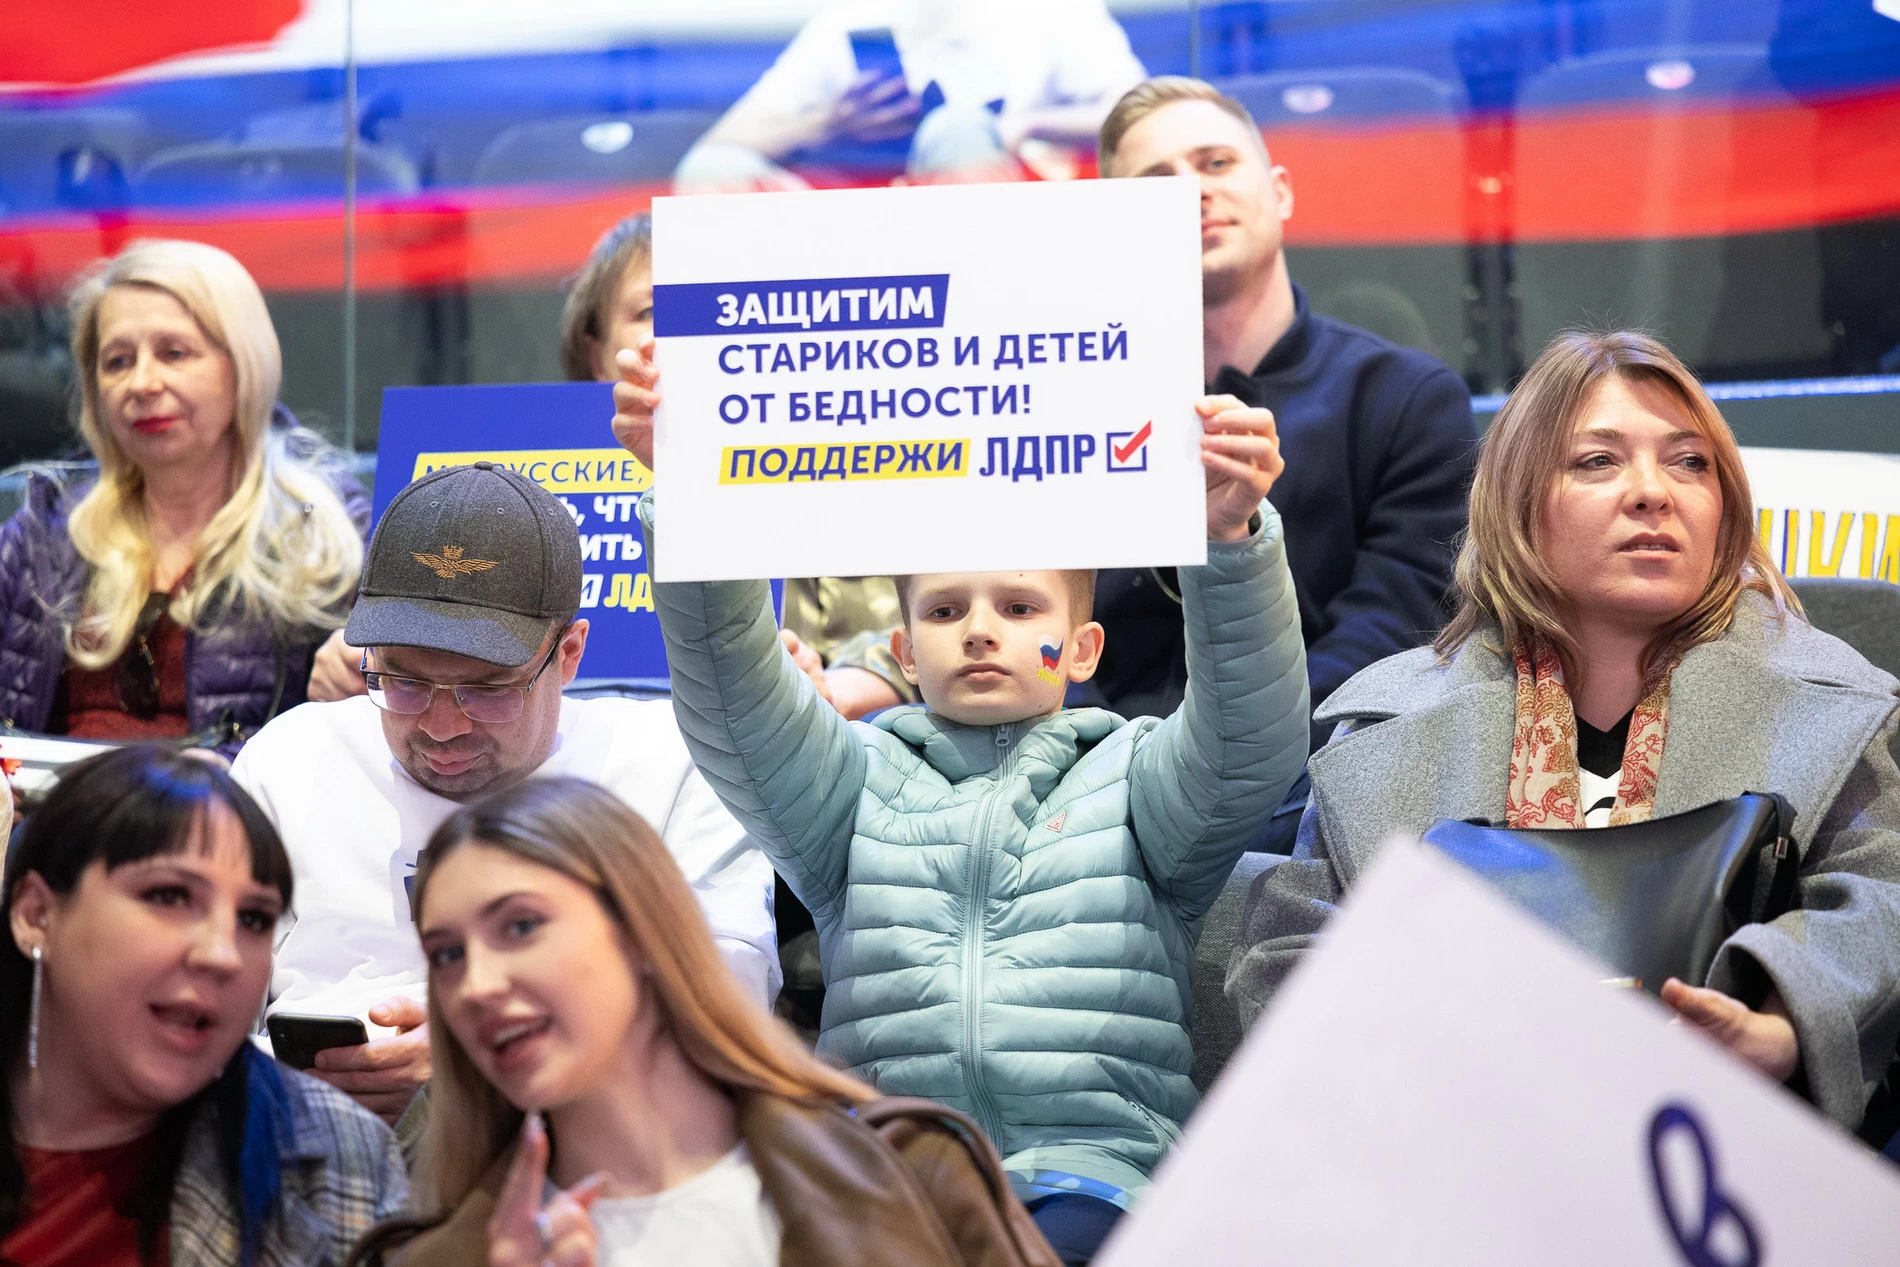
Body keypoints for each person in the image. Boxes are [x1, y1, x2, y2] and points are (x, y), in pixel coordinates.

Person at [612, 341, 1309, 1263]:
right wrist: (693, 498)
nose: (980, 629)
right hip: (885, 1179)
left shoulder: (1138, 777)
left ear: (1085, 646)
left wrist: (1230, 542)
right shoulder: (851, 784)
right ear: (903, 652)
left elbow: (1252, 742)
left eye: (1020, 608)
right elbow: (733, 702)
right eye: (944, 611)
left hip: (1095, 1178)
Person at [1226, 330, 1900, 1131]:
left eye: (1690, 462)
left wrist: (1784, 1018)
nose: (1653, 492)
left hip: (1736, 1152)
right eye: (1598, 461)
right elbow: (1286, 950)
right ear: (1517, 502)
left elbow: (1881, 901)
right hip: (1446, 1151)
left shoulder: (1839, 704)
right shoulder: (1383, 724)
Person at [230, 462, 777, 1127]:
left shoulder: (670, 767)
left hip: (575, 1131)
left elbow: (728, 1005)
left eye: (488, 690)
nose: (442, 725)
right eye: (404, 683)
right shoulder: (291, 759)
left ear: (569, 654)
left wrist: (485, 1061)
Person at [345, 776, 1059, 1267]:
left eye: (521, 925)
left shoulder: (917, 1168)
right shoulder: (433, 1256)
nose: (476, 985)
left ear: (640, 930)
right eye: (447, 954)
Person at [1091, 77, 1478, 840]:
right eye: (1158, 182)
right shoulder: (1071, 404)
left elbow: (1391, 643)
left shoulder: (1405, 400)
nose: (1194, 192)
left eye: (1215, 162)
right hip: (1092, 802)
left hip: (1312, 801)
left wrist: (1213, 776)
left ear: (1281, 191)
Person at [0, 744, 408, 1265]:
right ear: (36, 914)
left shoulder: (341, 1162)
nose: (222, 955)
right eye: (170, 896)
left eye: (254, 919)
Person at [0, 239, 367, 751]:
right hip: (49, 802)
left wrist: (359, 684)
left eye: (174, 353)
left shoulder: (326, 536)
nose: (142, 383)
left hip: (235, 800)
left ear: (244, 366)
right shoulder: (44, 532)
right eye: (118, 361)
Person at [555, 210, 916, 722]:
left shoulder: (844, 460)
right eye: (652, 309)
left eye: (716, 305)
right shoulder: (533, 476)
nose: (686, 329)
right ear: (596, 353)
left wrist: (832, 687)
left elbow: (931, 623)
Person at [672, 0, 1145, 194]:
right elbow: (718, 146)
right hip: (857, 219)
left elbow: (1137, 114)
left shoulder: (1051, 12)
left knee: (955, 131)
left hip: (999, 201)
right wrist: (825, 125)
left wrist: (1026, 125)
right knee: (711, 171)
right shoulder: (851, 21)